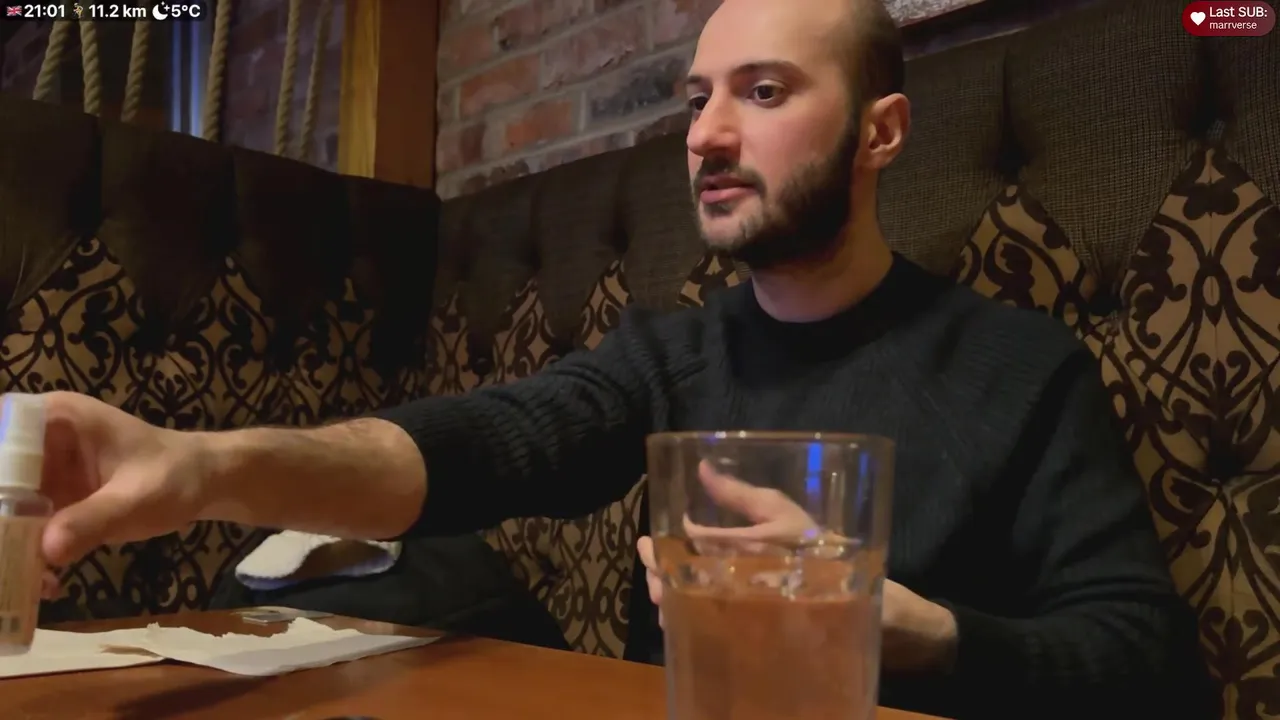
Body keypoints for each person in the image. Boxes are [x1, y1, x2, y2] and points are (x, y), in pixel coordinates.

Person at [29, 0, 1216, 717]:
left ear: (880, 132)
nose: (705, 134)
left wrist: (904, 628)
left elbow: (1146, 668)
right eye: (696, 99)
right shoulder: (672, 355)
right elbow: (481, 444)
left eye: (762, 92)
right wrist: (203, 467)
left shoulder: (1019, 368)